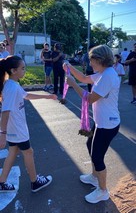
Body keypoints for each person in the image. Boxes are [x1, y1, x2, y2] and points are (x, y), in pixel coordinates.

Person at [63, 45, 120, 204]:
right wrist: (69, 67)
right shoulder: (103, 73)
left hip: (108, 125)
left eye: (92, 60)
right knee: (90, 144)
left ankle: (103, 191)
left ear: (100, 60)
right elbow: (84, 78)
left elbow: (89, 99)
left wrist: (73, 84)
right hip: (102, 122)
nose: (90, 63)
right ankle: (95, 177)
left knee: (97, 156)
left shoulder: (108, 76)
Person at [0, 56, 57, 192]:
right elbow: (5, 111)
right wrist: (2, 134)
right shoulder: (12, 87)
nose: (25, 71)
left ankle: (1, 182)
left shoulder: (12, 84)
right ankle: (35, 182)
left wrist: (46, 96)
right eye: (23, 68)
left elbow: (26, 95)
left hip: (14, 128)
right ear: (13, 71)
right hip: (17, 129)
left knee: (13, 152)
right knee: (28, 152)